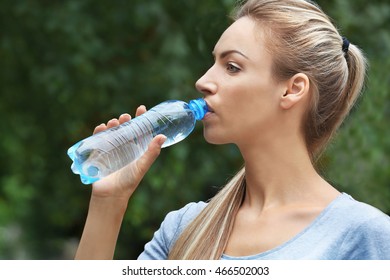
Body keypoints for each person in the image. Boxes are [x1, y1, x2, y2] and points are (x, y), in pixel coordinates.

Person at [75, 0, 390, 260]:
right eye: (214, 62)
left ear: (292, 90)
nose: (203, 82)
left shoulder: (362, 235)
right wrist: (109, 202)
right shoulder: (185, 229)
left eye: (232, 67)